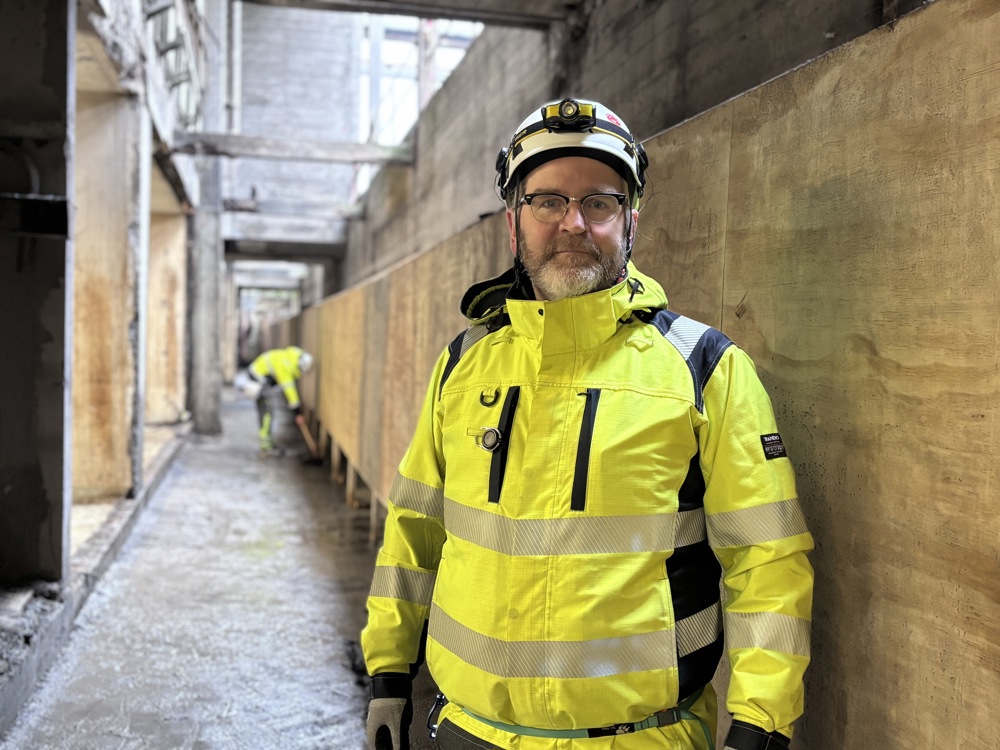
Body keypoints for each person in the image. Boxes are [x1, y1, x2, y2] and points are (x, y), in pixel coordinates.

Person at [361, 98, 814, 750]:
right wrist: (387, 672)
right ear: (514, 222)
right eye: (547, 201)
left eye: (598, 202)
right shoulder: (464, 365)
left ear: (630, 219)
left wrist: (761, 721)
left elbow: (768, 559)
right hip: (465, 732)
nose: (573, 223)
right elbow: (414, 531)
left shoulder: (704, 370)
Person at [246, 345, 313, 455]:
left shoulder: (291, 357)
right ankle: (265, 445)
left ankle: (268, 443)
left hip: (259, 376)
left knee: (267, 412)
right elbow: (291, 393)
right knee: (267, 413)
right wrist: (298, 413)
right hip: (258, 380)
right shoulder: (286, 367)